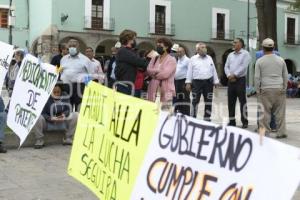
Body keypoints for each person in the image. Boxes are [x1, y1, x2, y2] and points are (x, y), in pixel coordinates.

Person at [255, 38, 288, 139]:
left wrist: (258, 90)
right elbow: (285, 75)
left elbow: (257, 77)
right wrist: (284, 88)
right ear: (273, 47)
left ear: (263, 48)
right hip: (279, 88)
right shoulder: (281, 60)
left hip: (265, 89)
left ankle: (264, 133)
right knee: (280, 112)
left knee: (264, 113)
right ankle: (281, 132)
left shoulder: (259, 61)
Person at [186, 43, 219, 120]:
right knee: (195, 101)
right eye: (202, 47)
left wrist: (216, 81)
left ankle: (207, 118)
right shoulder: (193, 59)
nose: (205, 49)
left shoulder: (209, 58)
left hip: (208, 83)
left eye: (205, 47)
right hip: (196, 83)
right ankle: (193, 118)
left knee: (208, 101)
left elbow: (213, 69)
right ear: (198, 50)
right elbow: (189, 71)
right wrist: (188, 82)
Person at [60, 38, 93, 111]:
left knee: (79, 108)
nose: (72, 48)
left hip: (79, 87)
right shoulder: (63, 59)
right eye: (70, 46)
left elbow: (91, 74)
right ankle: (68, 121)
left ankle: (78, 121)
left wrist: (86, 86)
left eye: (74, 46)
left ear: (78, 47)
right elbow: (61, 72)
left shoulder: (85, 59)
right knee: (67, 107)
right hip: (66, 86)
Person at [224, 38, 251, 128]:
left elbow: (243, 66)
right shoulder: (230, 55)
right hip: (230, 80)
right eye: (233, 42)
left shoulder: (245, 54)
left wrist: (234, 75)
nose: (233, 43)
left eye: (235, 42)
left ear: (240, 44)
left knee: (242, 101)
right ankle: (232, 122)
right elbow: (226, 66)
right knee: (230, 102)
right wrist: (228, 75)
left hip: (240, 80)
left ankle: (244, 121)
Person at [115, 29, 149, 95]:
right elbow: (139, 61)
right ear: (128, 39)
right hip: (124, 84)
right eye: (134, 39)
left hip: (127, 83)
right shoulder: (123, 51)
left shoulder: (129, 51)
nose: (135, 41)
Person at [147, 37, 177, 111]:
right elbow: (148, 70)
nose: (158, 46)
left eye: (160, 45)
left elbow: (165, 74)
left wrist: (154, 73)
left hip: (167, 90)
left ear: (166, 47)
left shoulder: (172, 60)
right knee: (152, 110)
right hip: (153, 88)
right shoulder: (154, 58)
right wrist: (159, 71)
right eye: (157, 45)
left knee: (165, 112)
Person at [174, 46, 190, 115]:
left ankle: (186, 115)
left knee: (185, 99)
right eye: (177, 52)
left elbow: (190, 72)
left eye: (180, 52)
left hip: (184, 82)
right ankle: (179, 113)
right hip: (176, 82)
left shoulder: (187, 60)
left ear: (184, 52)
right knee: (177, 98)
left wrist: (188, 83)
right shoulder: (178, 60)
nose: (178, 53)